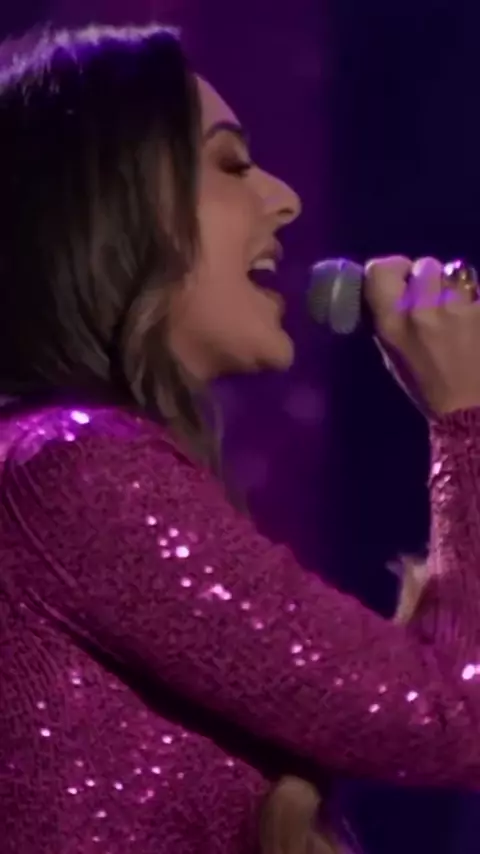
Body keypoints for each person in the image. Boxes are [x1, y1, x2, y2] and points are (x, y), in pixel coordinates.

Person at [1, 22, 480, 854]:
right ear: (103, 209)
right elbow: (457, 718)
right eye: (229, 164)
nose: (284, 197)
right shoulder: (75, 467)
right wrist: (466, 417)